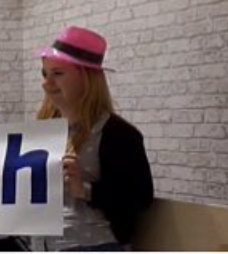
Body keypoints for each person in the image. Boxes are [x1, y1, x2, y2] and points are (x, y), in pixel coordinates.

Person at [34, 26, 153, 251]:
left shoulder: (117, 134)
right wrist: (6, 179)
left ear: (87, 79)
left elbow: (141, 196)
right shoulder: (44, 130)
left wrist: (86, 190)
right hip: (44, 245)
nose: (46, 83)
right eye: (44, 74)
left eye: (57, 74)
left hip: (93, 244)